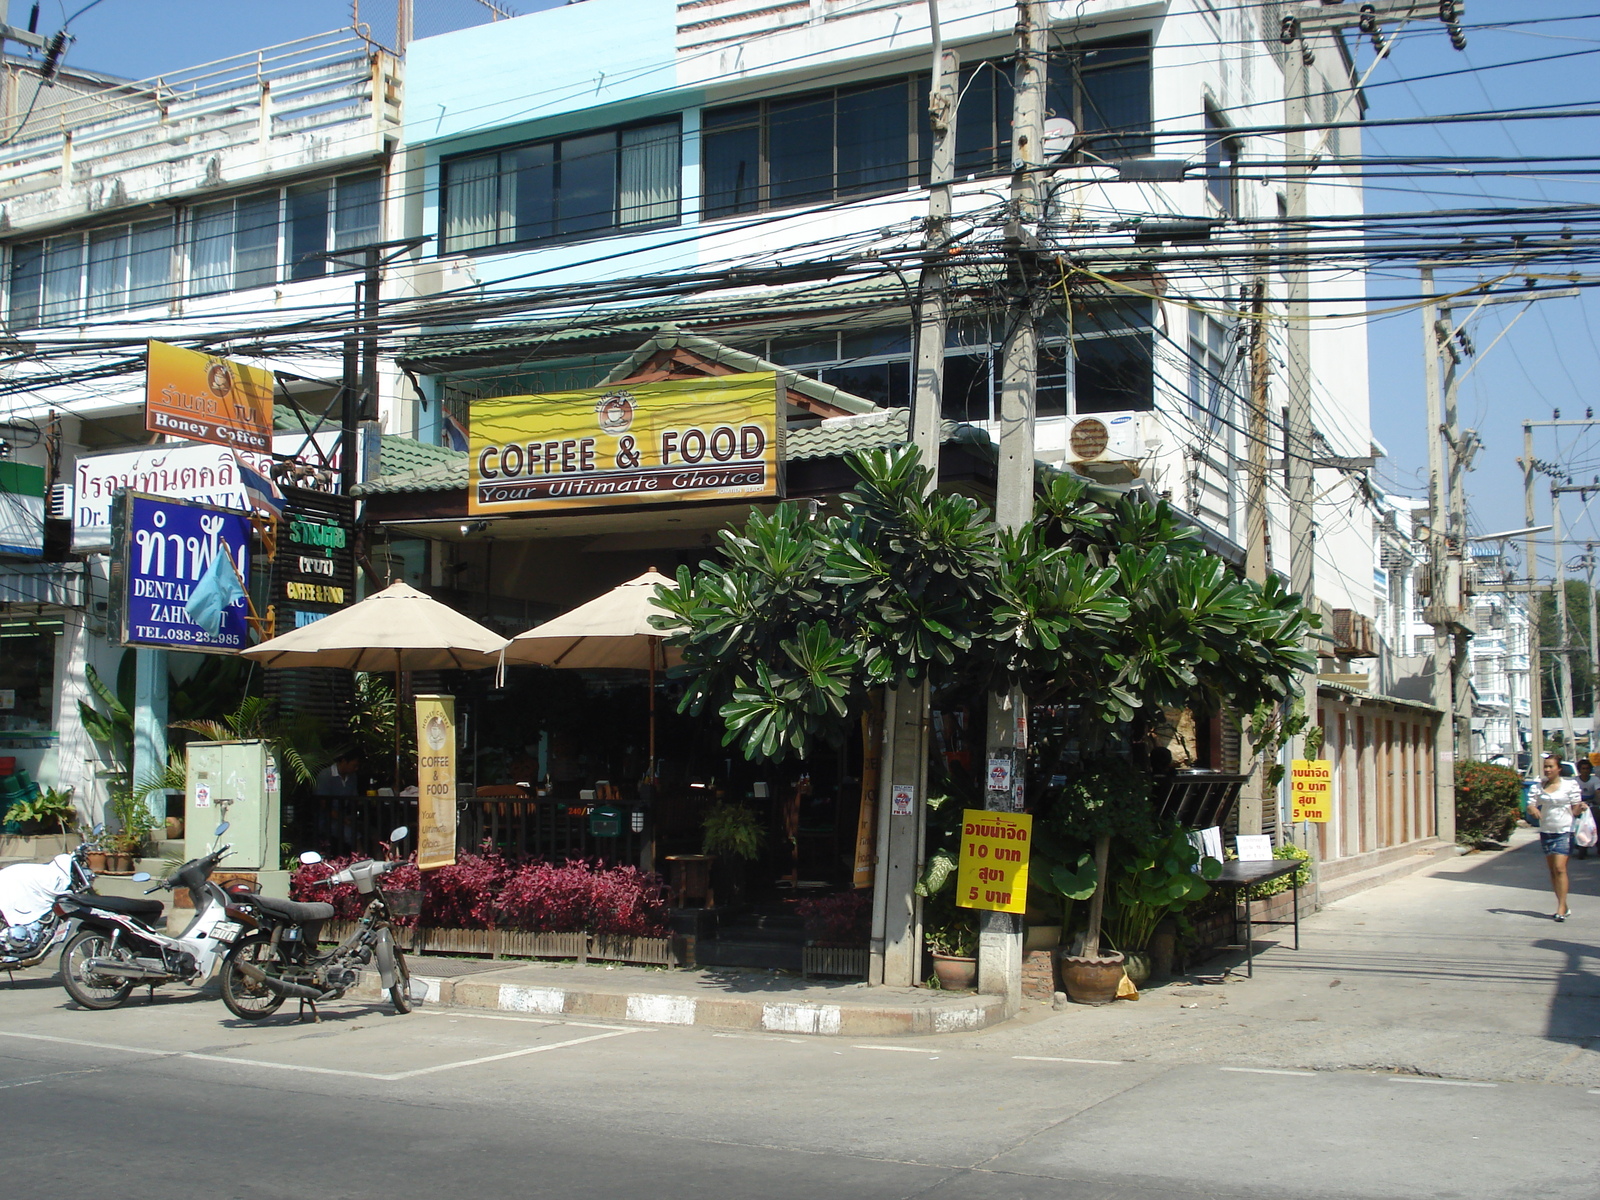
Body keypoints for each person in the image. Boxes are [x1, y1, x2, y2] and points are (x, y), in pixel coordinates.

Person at [1526, 754, 1586, 921]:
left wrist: (1580, 808)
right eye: (1545, 766)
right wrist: (1533, 809)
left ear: (1559, 768)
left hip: (1564, 830)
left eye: (1551, 766)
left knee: (1560, 868)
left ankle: (1560, 908)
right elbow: (1531, 804)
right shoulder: (1538, 786)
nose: (1547, 769)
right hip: (1546, 831)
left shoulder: (1569, 785)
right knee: (1553, 870)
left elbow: (1574, 809)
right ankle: (1563, 903)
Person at [1576, 759, 1598, 859]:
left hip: (1592, 804)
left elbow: (1598, 792)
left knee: (1597, 822)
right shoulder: (1575, 781)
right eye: (1583, 769)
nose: (1585, 771)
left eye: (1587, 768)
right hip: (1578, 804)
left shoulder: (1595, 780)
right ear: (1579, 770)